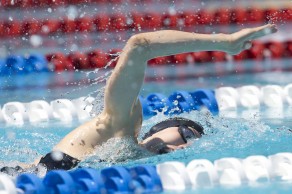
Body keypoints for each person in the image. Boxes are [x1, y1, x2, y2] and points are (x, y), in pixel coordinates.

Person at [1, 24, 278, 173]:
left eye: (191, 140)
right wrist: (224, 43)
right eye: (185, 133)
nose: (184, 145)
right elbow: (139, 45)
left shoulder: (127, 161)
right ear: (156, 132)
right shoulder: (119, 126)